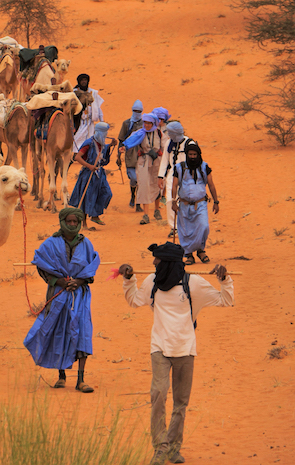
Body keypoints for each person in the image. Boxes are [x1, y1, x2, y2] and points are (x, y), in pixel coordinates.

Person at [118, 242, 234, 465]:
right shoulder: (152, 281)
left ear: (169, 264)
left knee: (181, 403)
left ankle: (173, 448)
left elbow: (225, 300)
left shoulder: (193, 284)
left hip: (185, 349)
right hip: (159, 347)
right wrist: (128, 280)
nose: (153, 263)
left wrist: (224, 279)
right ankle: (160, 449)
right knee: (158, 396)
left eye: (158, 260)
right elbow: (134, 300)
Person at [24, 207, 100, 393]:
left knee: (82, 331)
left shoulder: (86, 244)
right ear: (62, 221)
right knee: (59, 331)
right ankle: (61, 376)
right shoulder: (51, 243)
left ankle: (81, 380)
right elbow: (42, 267)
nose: (72, 225)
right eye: (69, 221)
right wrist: (60, 282)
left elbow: (91, 267)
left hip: (80, 295)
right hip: (58, 295)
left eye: (76, 221)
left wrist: (78, 281)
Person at [171, 141, 219, 265]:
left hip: (201, 204)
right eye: (190, 154)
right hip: (184, 205)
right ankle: (189, 254)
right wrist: (173, 202)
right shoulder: (179, 168)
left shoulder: (204, 167)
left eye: (194, 154)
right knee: (186, 231)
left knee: (204, 227)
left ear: (198, 154)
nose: (192, 157)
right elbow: (175, 185)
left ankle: (200, 250)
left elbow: (211, 185)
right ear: (187, 154)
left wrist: (216, 201)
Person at [69, 122, 117, 226]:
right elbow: (77, 157)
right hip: (88, 174)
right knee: (87, 197)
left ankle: (95, 215)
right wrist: (89, 166)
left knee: (106, 193)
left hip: (100, 175)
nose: (105, 135)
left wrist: (111, 145)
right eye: (104, 133)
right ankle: (84, 223)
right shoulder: (89, 143)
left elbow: (103, 152)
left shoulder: (102, 144)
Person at [124, 113, 163, 225]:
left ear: (153, 123)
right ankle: (145, 215)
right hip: (143, 162)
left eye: (149, 123)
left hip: (157, 161)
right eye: (145, 122)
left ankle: (157, 210)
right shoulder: (139, 133)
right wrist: (123, 147)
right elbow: (130, 141)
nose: (146, 125)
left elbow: (164, 147)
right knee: (144, 186)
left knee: (157, 185)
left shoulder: (159, 133)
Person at [158, 122, 192, 238]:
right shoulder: (168, 143)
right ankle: (174, 227)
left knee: (186, 201)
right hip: (172, 175)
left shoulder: (189, 143)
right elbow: (164, 161)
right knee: (170, 200)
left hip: (187, 175)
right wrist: (160, 177)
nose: (168, 136)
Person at [117, 99, 145, 211]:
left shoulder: (145, 124)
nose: (137, 112)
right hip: (129, 153)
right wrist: (118, 156)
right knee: (134, 178)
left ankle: (138, 203)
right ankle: (133, 195)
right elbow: (121, 140)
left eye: (139, 111)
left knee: (141, 179)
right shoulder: (126, 123)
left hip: (141, 154)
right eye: (135, 110)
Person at [73, 74, 105, 153]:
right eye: (82, 80)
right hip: (78, 121)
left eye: (85, 80)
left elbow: (98, 107)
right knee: (77, 138)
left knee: (89, 138)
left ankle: (86, 155)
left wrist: (102, 120)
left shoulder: (93, 92)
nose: (84, 82)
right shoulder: (74, 92)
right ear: (79, 82)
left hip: (89, 122)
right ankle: (76, 154)